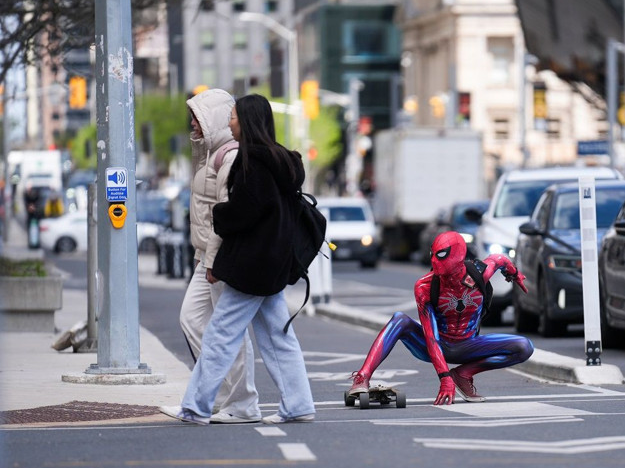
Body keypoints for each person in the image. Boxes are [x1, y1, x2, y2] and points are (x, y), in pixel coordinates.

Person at [161, 93, 315, 425]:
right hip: (273, 265)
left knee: (219, 335)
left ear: (247, 122)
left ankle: (196, 406)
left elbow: (245, 212)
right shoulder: (284, 160)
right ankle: (299, 404)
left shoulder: (252, 163)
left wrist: (219, 214)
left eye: (234, 116)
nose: (230, 121)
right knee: (278, 337)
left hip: (251, 267)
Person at [348, 231, 534, 404]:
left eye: (451, 273)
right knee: (400, 320)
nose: (447, 279)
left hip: (469, 345)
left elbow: (499, 259)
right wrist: (444, 377)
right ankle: (362, 376)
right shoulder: (425, 287)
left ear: (460, 262)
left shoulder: (479, 274)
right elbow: (431, 336)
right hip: (437, 345)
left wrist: (514, 274)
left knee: (524, 347)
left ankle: (463, 374)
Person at [177, 88, 261, 424]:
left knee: (230, 333)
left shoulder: (228, 156)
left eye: (198, 116)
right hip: (205, 255)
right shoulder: (207, 151)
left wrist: (212, 261)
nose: (193, 123)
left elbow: (223, 213)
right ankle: (219, 395)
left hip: (221, 258)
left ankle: (243, 401)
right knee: (192, 320)